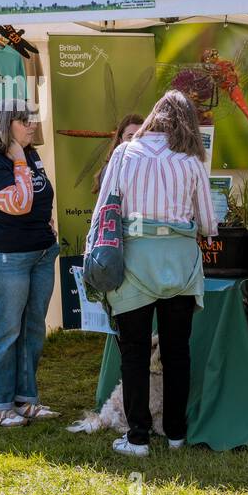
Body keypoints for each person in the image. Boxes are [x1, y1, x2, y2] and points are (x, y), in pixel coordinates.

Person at [89, 91, 217, 457]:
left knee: (134, 352)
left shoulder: (124, 154)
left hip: (134, 261)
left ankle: (138, 437)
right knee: (178, 352)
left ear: (153, 119)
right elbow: (208, 224)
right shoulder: (191, 160)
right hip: (180, 262)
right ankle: (176, 433)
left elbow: (103, 211)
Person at [0, 99, 59, 427]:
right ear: (6, 124)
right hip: (1, 255)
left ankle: (25, 399)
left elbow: (40, 197)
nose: (32, 125)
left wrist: (47, 224)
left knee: (33, 328)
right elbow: (19, 204)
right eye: (24, 120)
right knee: (3, 329)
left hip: (40, 252)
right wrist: (19, 158)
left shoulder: (31, 153)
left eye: (33, 119)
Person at [92, 113, 143, 193]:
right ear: (120, 140)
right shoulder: (110, 170)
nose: (135, 142)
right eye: (130, 137)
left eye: (139, 137)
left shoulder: (147, 166)